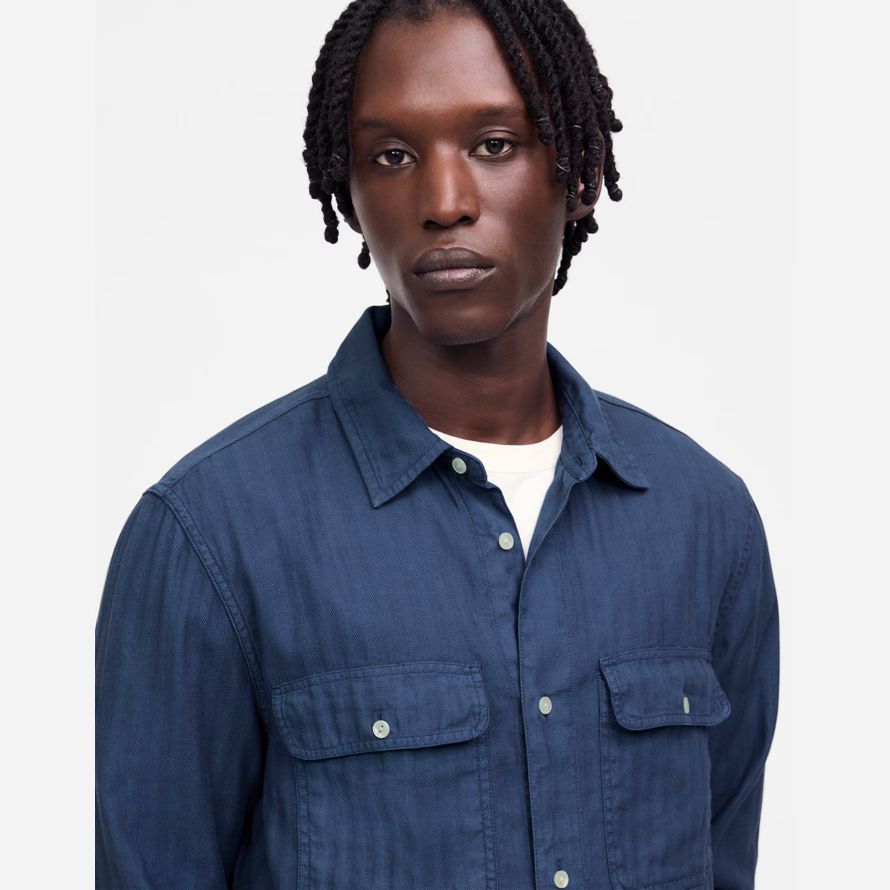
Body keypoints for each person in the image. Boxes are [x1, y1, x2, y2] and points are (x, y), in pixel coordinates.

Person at [95, 1, 780, 888]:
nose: (444, 202)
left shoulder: (706, 521)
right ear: (348, 193)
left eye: (494, 144)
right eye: (392, 156)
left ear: (580, 174)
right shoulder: (209, 536)